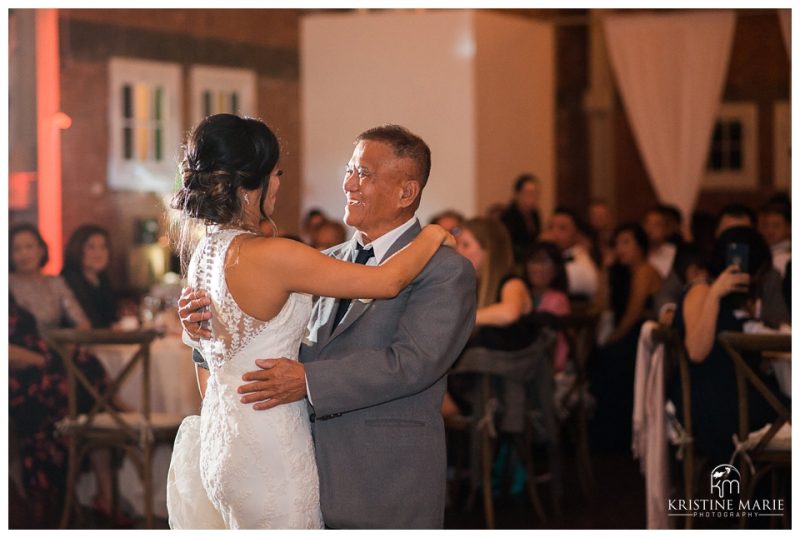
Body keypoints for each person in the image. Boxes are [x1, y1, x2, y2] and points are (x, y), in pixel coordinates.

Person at [173, 117, 475, 529]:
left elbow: (413, 363)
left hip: (383, 477)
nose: (348, 184)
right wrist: (204, 330)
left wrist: (310, 381)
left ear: (407, 192)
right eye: (349, 170)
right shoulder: (322, 261)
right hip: (297, 464)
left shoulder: (446, 271)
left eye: (363, 174)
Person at [8, 224, 119, 521]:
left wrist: (66, 346)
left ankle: (103, 496)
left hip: (55, 364)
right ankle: (58, 502)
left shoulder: (54, 283)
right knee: (81, 388)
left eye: (30, 246)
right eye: (17, 248)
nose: (24, 254)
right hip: (22, 372)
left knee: (86, 375)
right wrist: (42, 357)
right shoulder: (6, 286)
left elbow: (82, 324)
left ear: (41, 249)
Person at [669, 226, 785, 463]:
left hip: (727, 396)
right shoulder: (701, 289)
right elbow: (697, 351)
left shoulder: (732, 300)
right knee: (786, 408)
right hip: (712, 403)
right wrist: (715, 294)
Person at [589, 223, 662, 451]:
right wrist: (605, 270)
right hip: (629, 334)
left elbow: (634, 312)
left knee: (609, 358)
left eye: (626, 242)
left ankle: (617, 437)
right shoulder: (622, 274)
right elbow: (600, 304)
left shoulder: (645, 271)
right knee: (599, 357)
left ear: (641, 246)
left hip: (646, 336)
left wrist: (614, 338)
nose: (621, 249)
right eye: (618, 243)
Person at [524, 241, 571, 372]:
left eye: (545, 262)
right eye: (534, 261)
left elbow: (559, 345)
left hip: (544, 367)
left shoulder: (558, 299)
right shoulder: (520, 294)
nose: (538, 267)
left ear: (556, 268)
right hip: (523, 361)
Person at [61, 224, 120, 329]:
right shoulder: (67, 281)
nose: (98, 253)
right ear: (77, 249)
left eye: (103, 247)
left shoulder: (102, 279)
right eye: (91, 247)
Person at [543, 207, 599, 301]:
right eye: (550, 227)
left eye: (562, 228)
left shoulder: (581, 264)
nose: (554, 233)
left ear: (577, 235)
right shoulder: (557, 256)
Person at [500, 173, 542, 263]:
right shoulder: (508, 217)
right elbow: (510, 247)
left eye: (535, 193)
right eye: (529, 193)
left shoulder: (535, 214)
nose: (532, 197)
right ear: (517, 194)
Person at [643, 206, 677, 279]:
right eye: (647, 223)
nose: (649, 229)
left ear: (666, 229)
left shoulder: (674, 253)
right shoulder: (639, 251)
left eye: (656, 225)